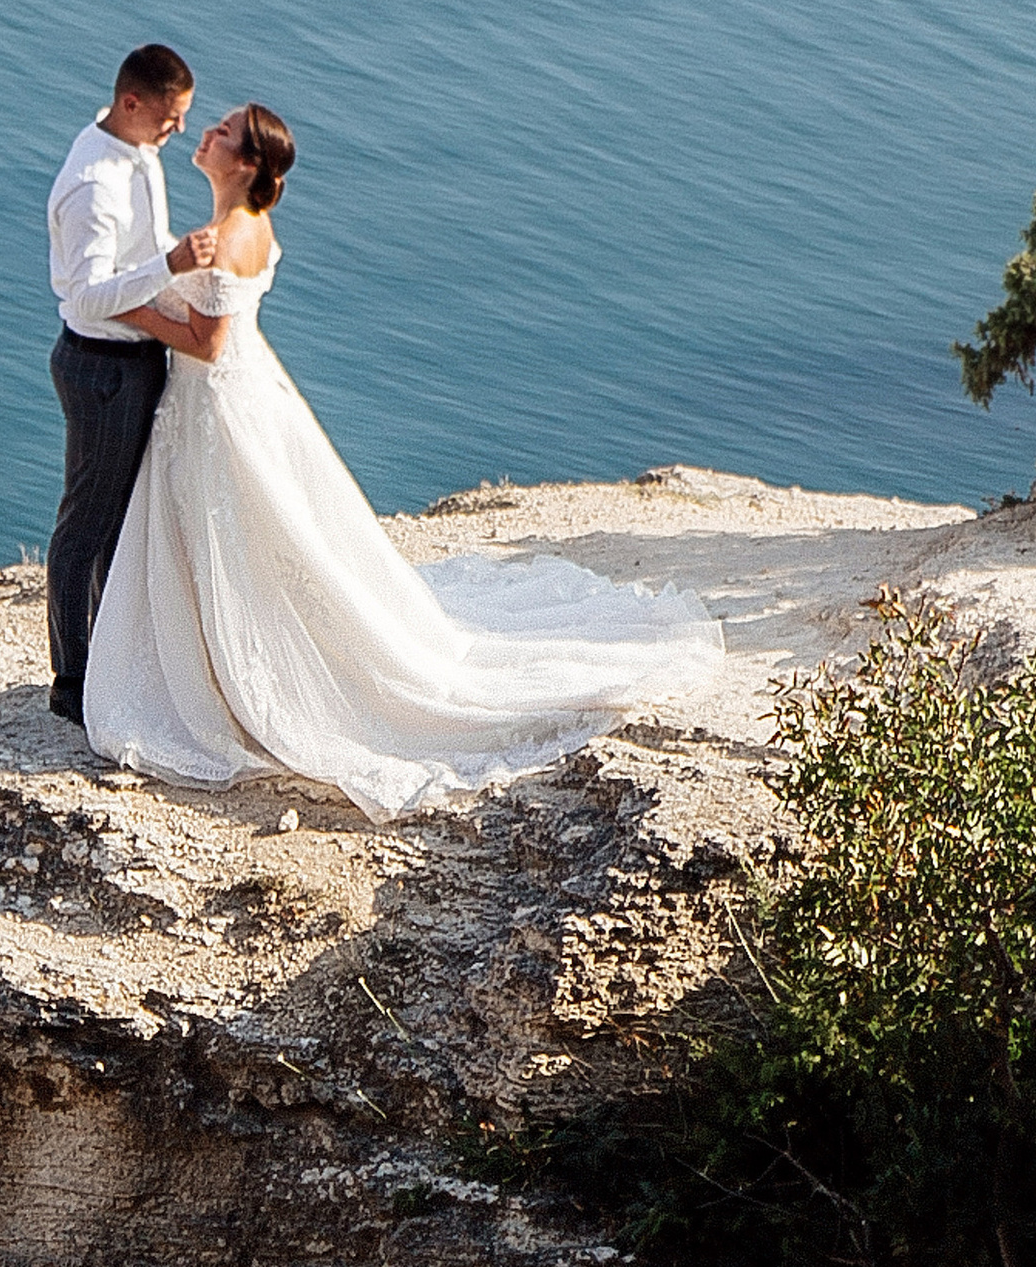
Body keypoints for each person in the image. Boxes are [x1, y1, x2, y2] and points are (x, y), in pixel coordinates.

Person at [81, 102, 728, 820]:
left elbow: (208, 343)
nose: (206, 134)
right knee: (255, 540)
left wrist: (126, 306)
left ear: (247, 166)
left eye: (223, 132)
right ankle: (214, 662)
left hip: (217, 406)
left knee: (243, 539)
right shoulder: (245, 227)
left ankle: (245, 676)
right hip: (231, 402)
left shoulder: (233, 235)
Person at [43, 46, 233, 722]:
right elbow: (87, 295)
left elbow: (125, 261)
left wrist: (165, 268)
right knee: (87, 528)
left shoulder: (125, 143)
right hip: (103, 367)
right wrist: (171, 263)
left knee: (122, 521)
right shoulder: (95, 185)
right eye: (169, 117)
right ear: (131, 104)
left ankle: (113, 661)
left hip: (131, 356)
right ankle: (74, 681)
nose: (178, 130)